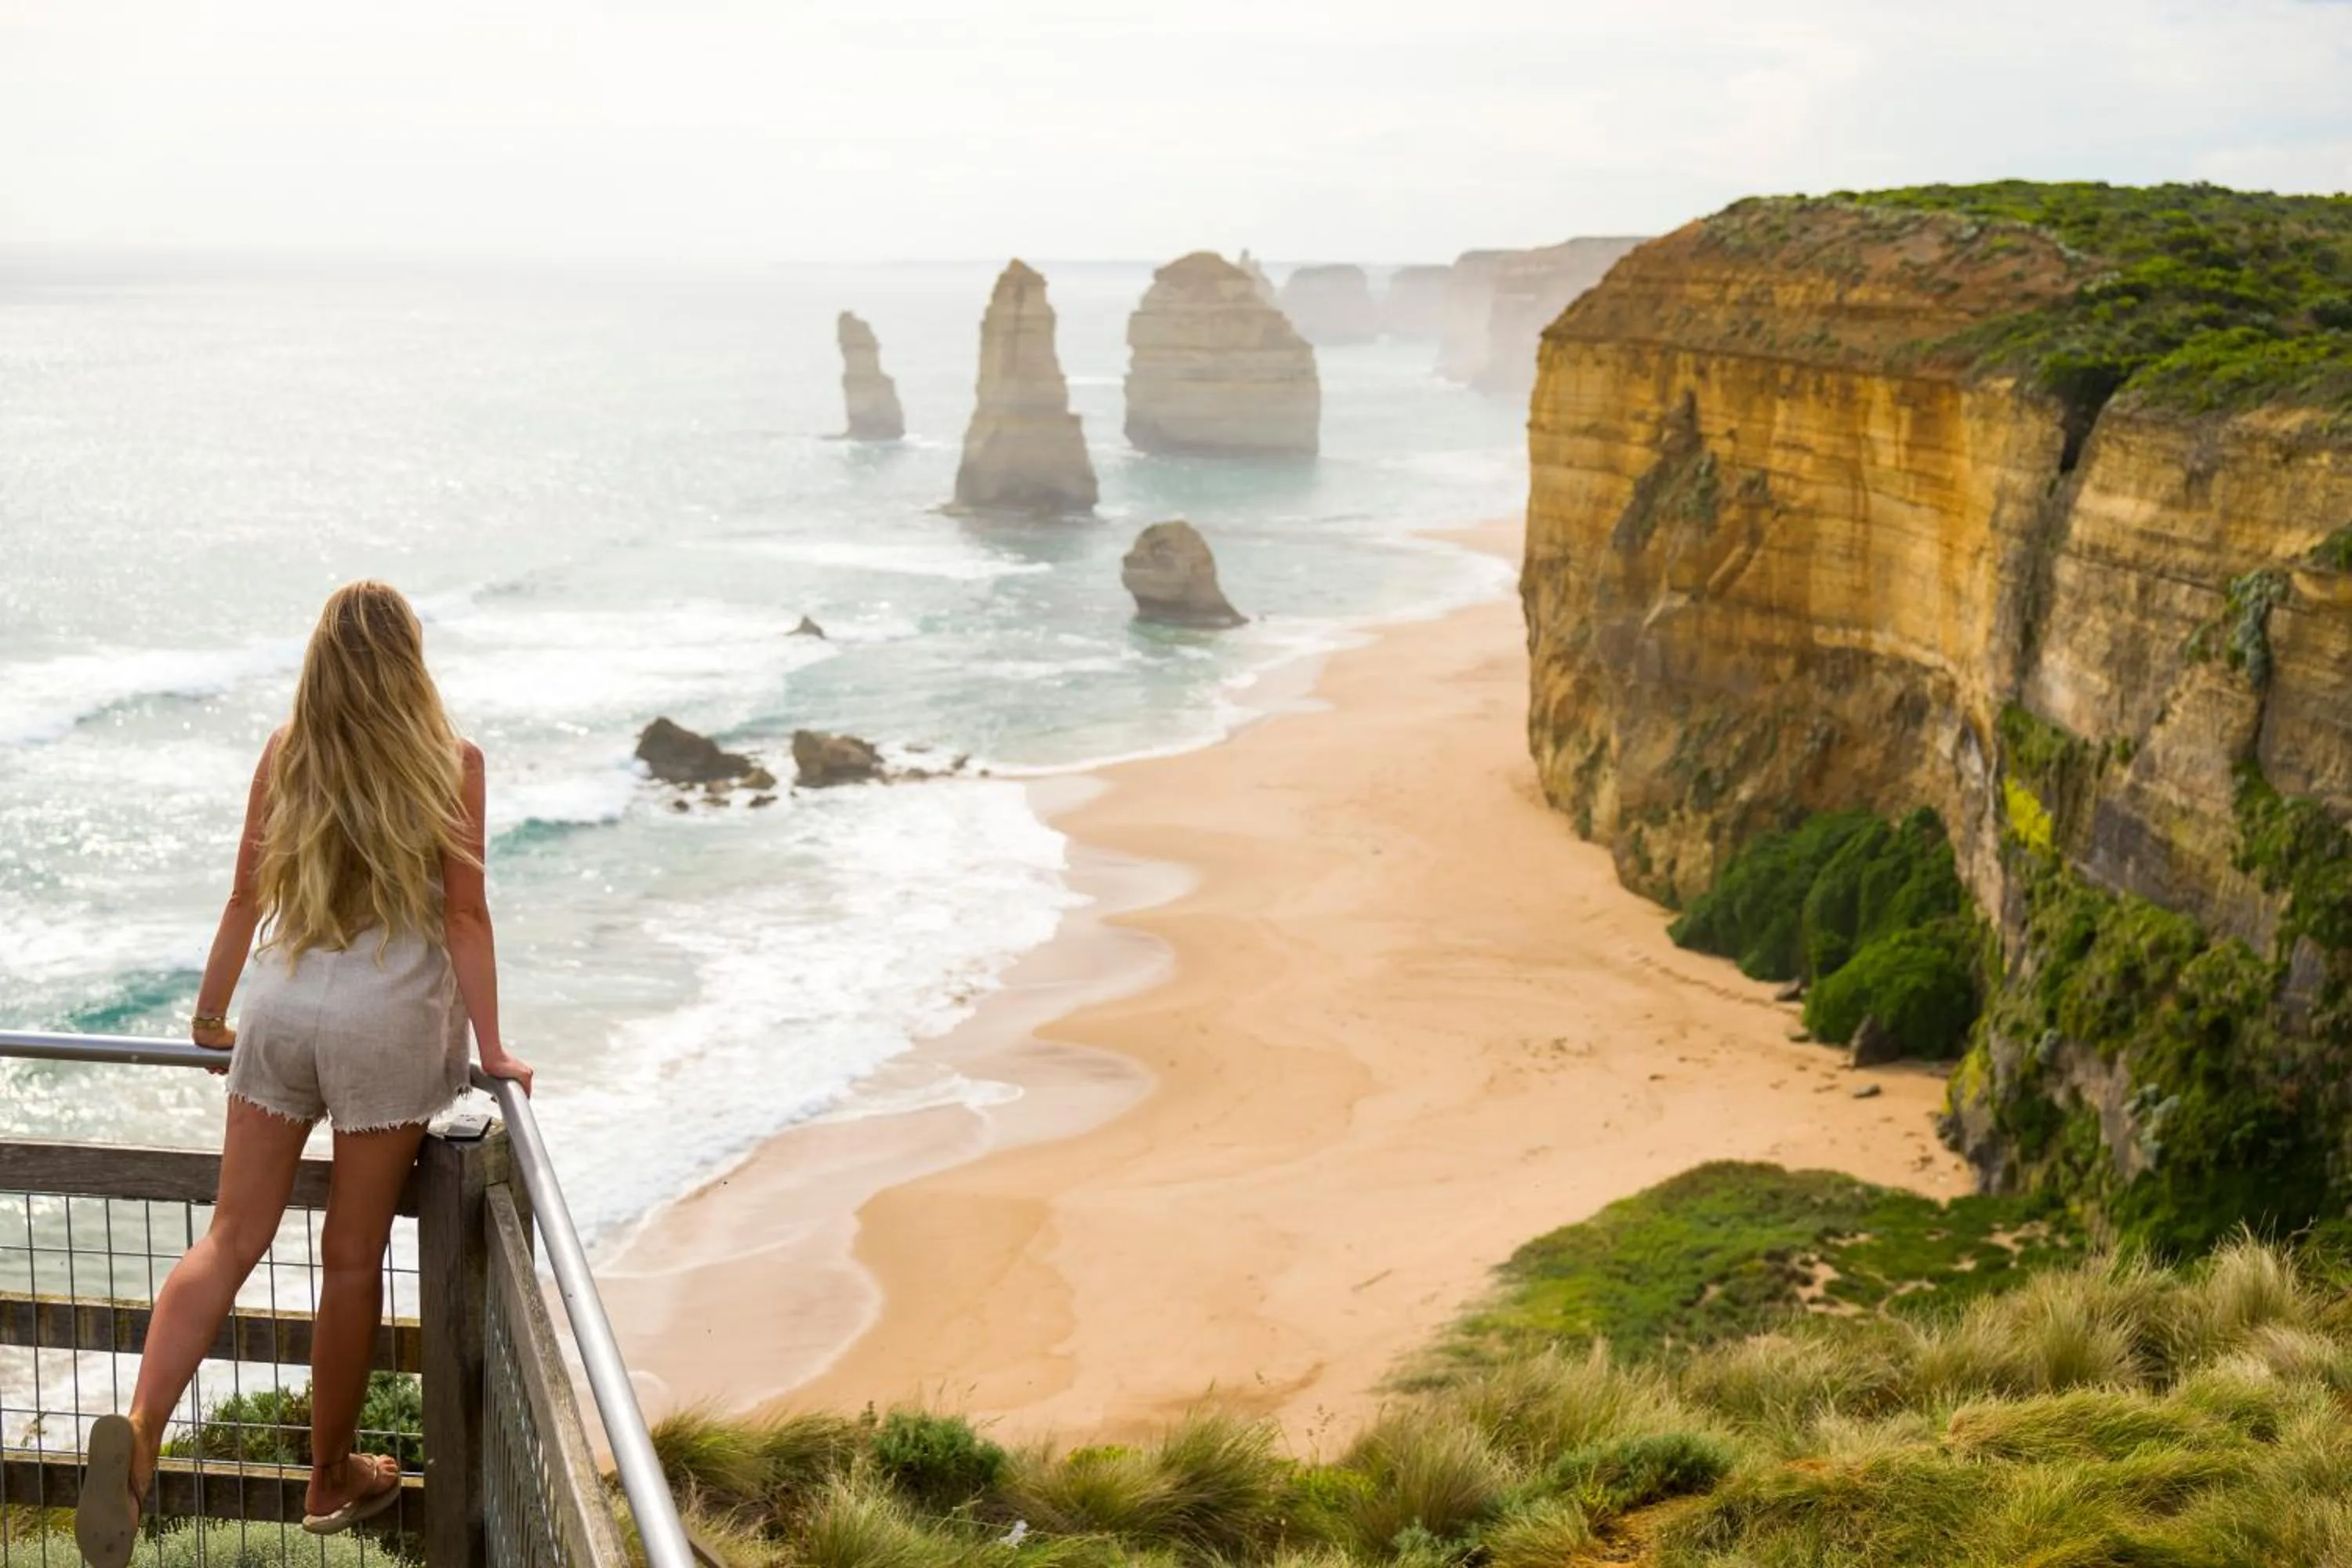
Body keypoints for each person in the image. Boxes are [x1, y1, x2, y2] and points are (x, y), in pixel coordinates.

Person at [77, 580, 534, 1564]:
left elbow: (245, 897)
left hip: (281, 1011)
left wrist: (210, 1012)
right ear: (411, 657)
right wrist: (493, 1049)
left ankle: (144, 1431)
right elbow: (464, 917)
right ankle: (329, 1478)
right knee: (350, 1255)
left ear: (320, 658)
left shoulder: (290, 753)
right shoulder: (453, 763)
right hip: (387, 1023)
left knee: (230, 1235)